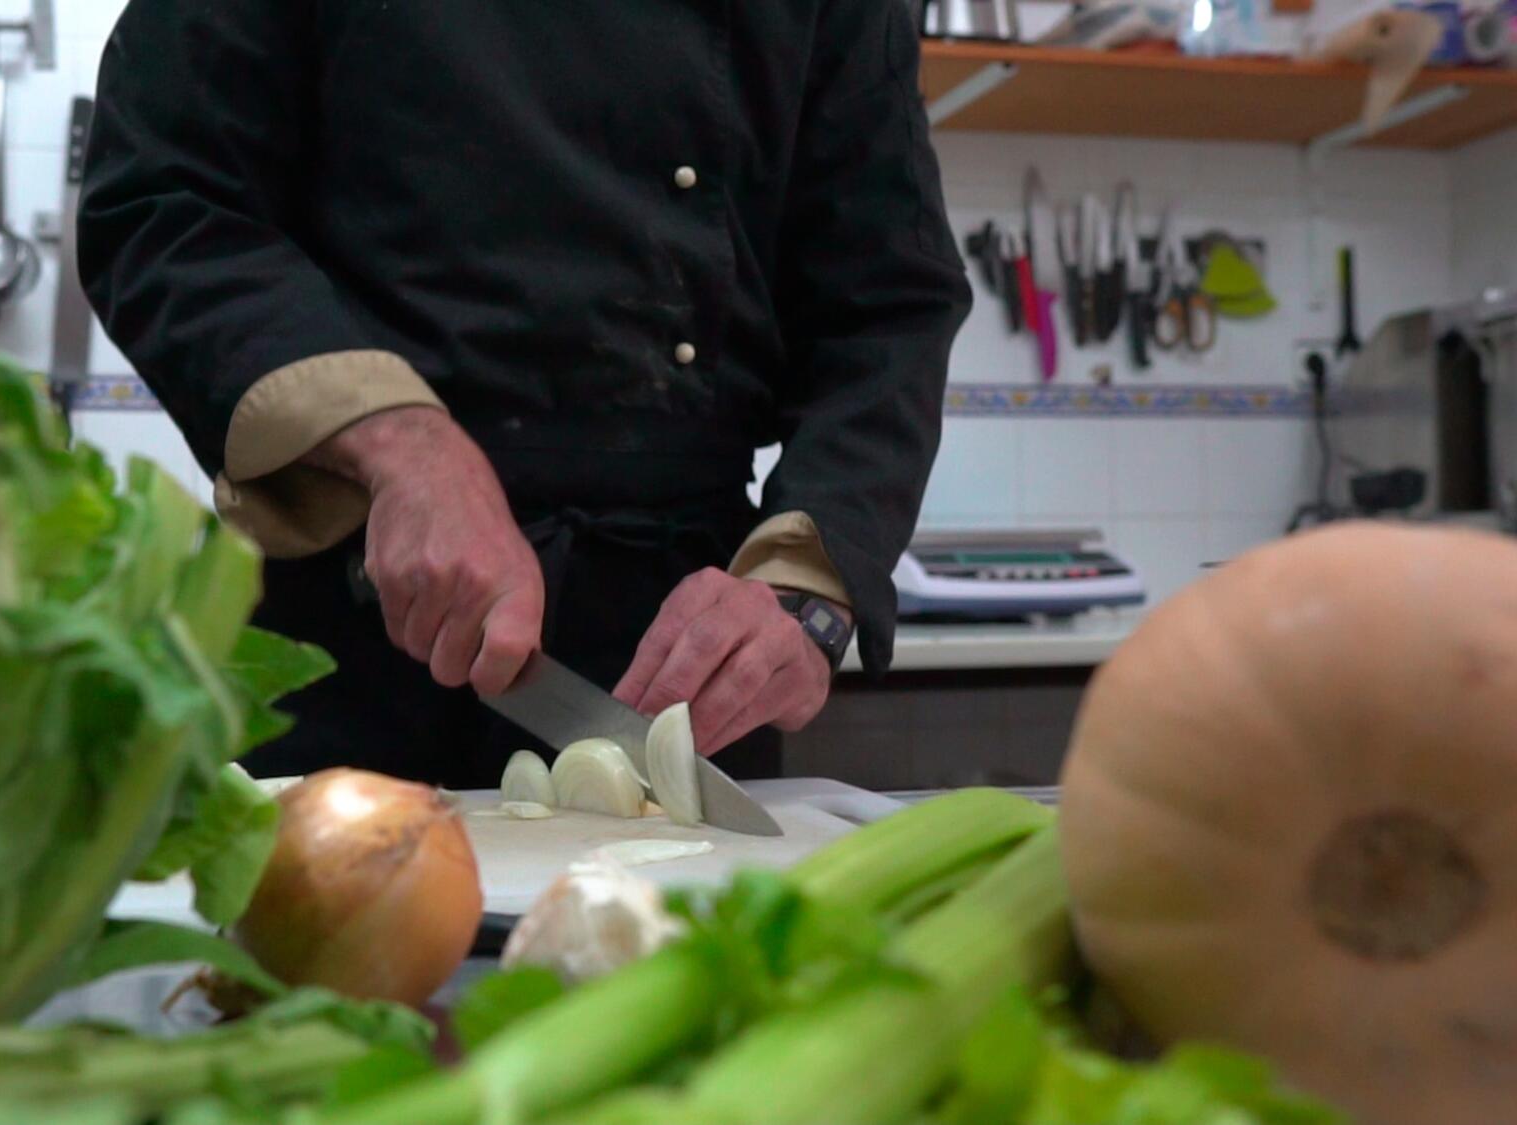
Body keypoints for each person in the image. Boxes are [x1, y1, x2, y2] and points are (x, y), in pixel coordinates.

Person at [79, 0, 971, 789]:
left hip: (674, 663)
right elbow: (164, 195)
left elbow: (889, 304)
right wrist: (399, 443)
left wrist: (802, 588)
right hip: (351, 625)